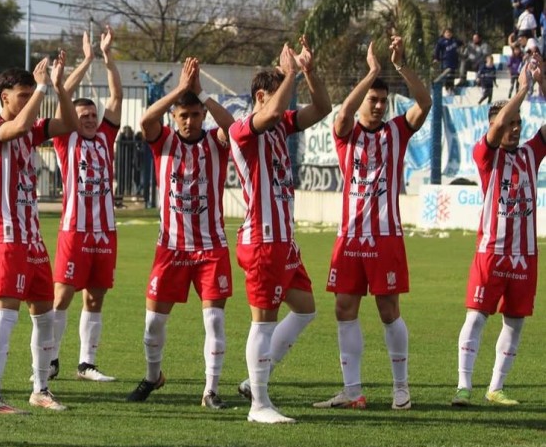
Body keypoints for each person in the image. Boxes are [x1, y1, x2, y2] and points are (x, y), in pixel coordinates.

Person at [314, 36, 431, 411]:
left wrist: (399, 67)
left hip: (384, 237)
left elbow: (425, 103)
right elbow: (343, 114)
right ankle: (352, 391)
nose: (379, 106)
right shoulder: (347, 134)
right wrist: (371, 74)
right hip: (349, 237)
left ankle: (401, 387)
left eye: (383, 101)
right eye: (373, 100)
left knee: (388, 310)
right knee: (344, 309)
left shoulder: (398, 130)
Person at [230, 37, 331, 423]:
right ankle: (259, 405)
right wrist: (288, 73)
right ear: (261, 96)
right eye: (280, 93)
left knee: (304, 310)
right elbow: (270, 115)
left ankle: (256, 381)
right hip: (263, 239)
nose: (288, 102)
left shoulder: (279, 125)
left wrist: (307, 71)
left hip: (283, 241)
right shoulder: (246, 128)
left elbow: (323, 107)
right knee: (263, 320)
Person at [125, 56, 235, 410]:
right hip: (170, 248)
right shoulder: (164, 141)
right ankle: (152, 376)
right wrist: (179, 90)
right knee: (153, 324)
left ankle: (210, 390)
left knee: (214, 320)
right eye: (183, 115)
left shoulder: (216, 142)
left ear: (202, 116)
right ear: (175, 118)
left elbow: (233, 127)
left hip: (210, 248)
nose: (189, 121)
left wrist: (200, 93)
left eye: (194, 115)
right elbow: (145, 120)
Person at [0, 51, 78, 415]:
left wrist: (60, 88)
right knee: (5, 315)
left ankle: (40, 388)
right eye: (23, 95)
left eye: (31, 94)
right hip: (5, 236)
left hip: (32, 238)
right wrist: (42, 87)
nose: (30, 101)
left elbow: (69, 124)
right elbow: (16, 127)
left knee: (45, 316)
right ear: (4, 97)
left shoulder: (31, 130)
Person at [452, 58, 545, 407]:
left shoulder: (531, 154)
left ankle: (495, 387)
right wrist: (522, 89)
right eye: (509, 123)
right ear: (493, 126)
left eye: (519, 124)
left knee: (516, 321)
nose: (515, 129)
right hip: (491, 251)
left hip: (525, 254)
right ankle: (463, 385)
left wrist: (539, 84)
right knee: (476, 316)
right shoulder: (485, 155)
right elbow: (497, 129)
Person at [49, 27, 123, 383]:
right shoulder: (66, 138)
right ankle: (49, 358)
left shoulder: (106, 136)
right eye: (84, 116)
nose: (91, 119)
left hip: (105, 231)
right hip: (74, 230)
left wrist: (107, 58)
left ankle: (86, 364)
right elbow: (63, 93)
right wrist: (87, 59)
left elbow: (117, 95)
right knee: (62, 295)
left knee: (96, 298)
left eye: (93, 115)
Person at [433, 28, 462, 93]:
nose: (448, 34)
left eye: (449, 33)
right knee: (447, 75)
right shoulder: (441, 41)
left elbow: (461, 43)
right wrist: (436, 58)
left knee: (452, 75)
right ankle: (447, 88)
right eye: (446, 33)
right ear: (444, 34)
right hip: (446, 61)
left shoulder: (454, 40)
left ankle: (451, 88)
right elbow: (437, 50)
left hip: (454, 60)